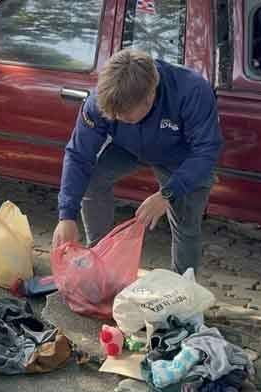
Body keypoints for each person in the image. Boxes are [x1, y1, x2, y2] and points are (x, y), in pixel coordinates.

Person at [53, 49, 224, 274]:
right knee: (92, 178)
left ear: (150, 96)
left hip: (181, 158)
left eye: (125, 117)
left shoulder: (192, 91)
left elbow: (206, 151)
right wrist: (66, 215)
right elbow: (78, 155)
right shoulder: (99, 103)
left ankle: (182, 288)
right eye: (114, 117)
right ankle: (99, 256)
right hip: (129, 148)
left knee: (185, 224)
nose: (119, 120)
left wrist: (168, 194)